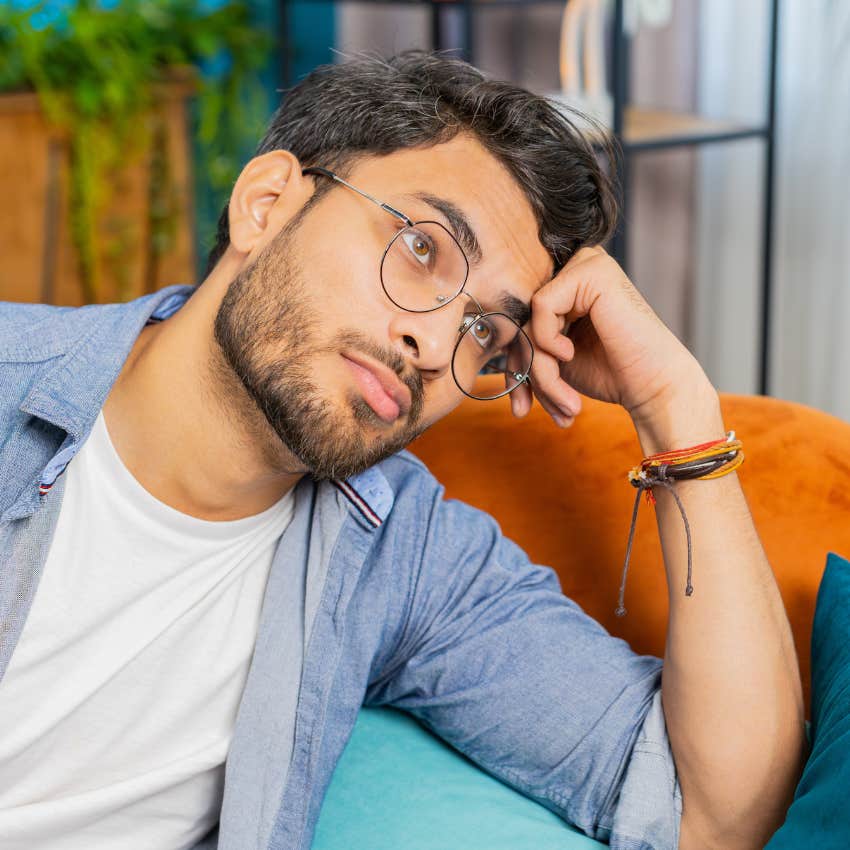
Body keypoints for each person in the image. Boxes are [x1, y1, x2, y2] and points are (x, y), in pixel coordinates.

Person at [0, 51, 805, 850]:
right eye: (422, 248)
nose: (432, 342)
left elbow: (716, 811)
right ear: (267, 202)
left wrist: (676, 408)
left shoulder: (402, 559)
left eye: (484, 330)